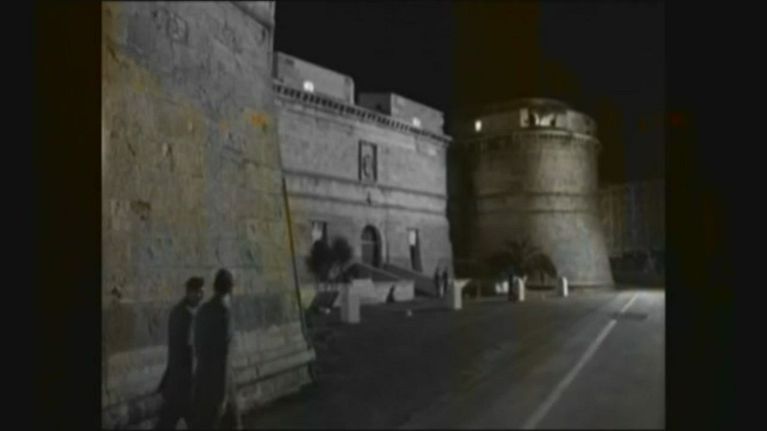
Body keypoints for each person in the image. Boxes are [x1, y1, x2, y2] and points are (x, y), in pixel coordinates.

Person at [192, 269, 242, 429]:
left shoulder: (202, 310)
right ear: (230, 289)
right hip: (220, 383)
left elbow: (197, 346)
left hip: (202, 379)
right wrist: (223, 395)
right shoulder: (225, 314)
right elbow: (224, 356)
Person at [155, 277, 205, 429]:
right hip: (183, 383)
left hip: (178, 382)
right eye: (198, 292)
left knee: (169, 420)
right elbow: (188, 351)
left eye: (202, 292)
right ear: (190, 292)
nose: (201, 296)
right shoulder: (183, 316)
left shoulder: (182, 312)